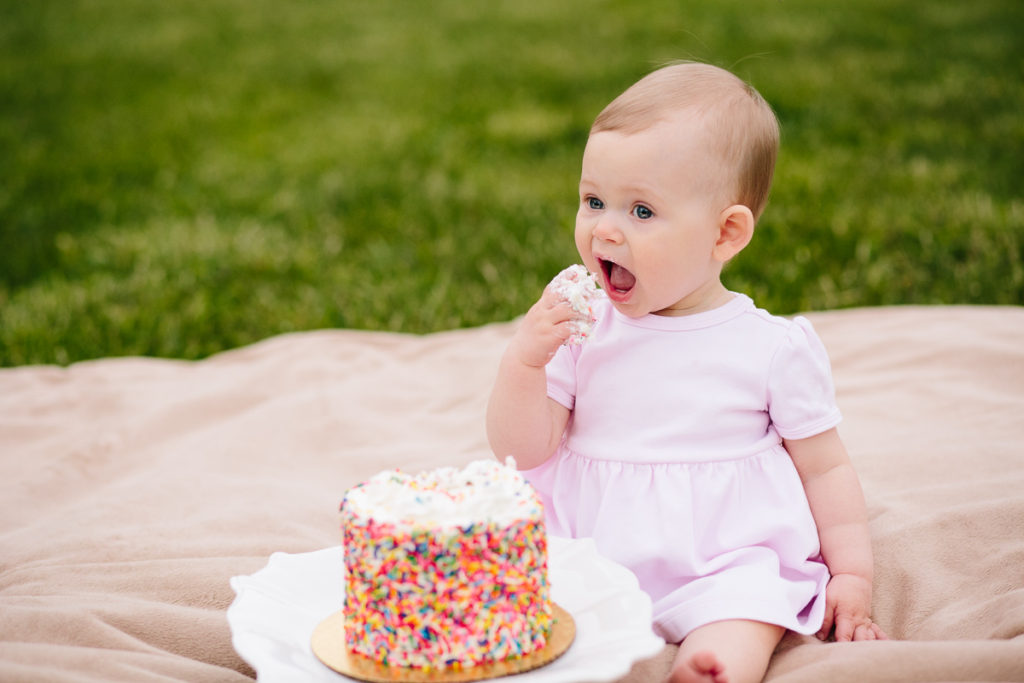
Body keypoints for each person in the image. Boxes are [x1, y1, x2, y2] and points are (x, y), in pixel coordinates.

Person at [486, 62, 887, 683]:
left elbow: (826, 465)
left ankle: (714, 667)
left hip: (721, 552)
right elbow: (523, 449)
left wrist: (852, 573)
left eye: (641, 210)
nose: (605, 227)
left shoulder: (771, 347)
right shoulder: (580, 328)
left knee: (749, 604)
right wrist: (523, 362)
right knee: (523, 594)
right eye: (593, 200)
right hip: (589, 544)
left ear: (725, 234)